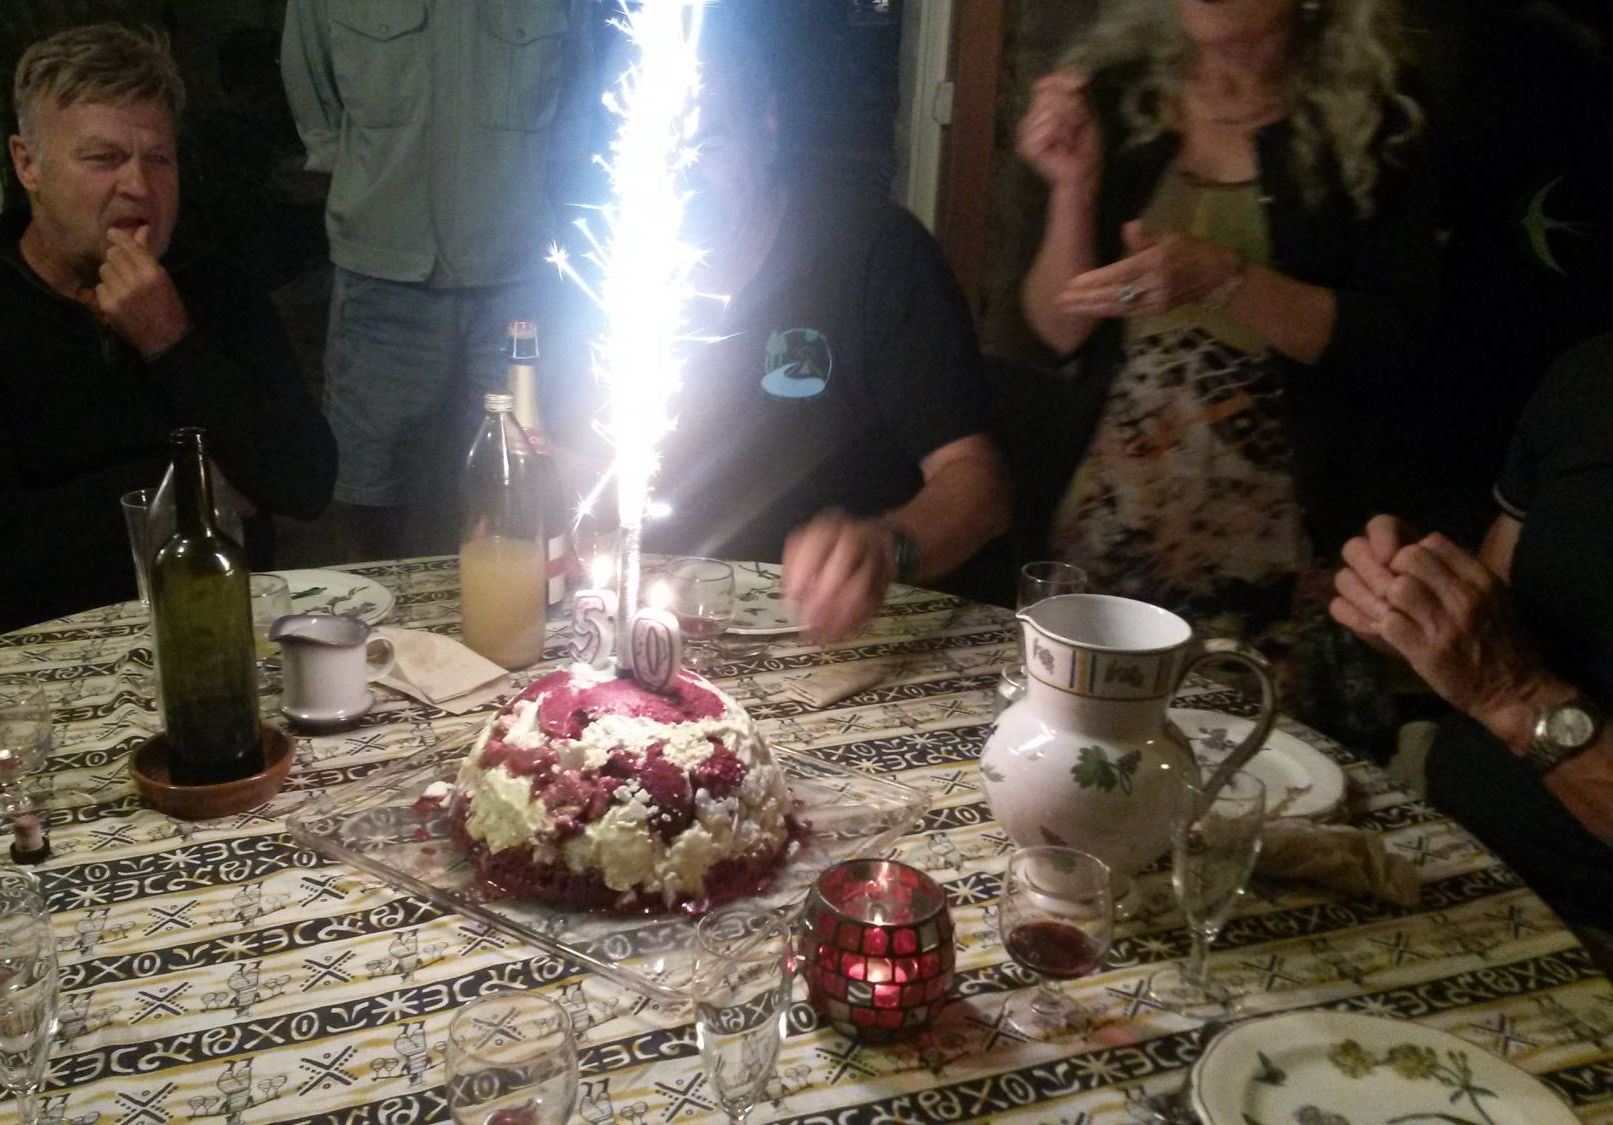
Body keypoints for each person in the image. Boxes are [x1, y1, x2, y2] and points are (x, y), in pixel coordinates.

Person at [1016, 0, 1436, 722]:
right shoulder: (1122, 100)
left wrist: (1225, 278)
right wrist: (1073, 186)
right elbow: (1060, 329)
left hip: (1279, 549)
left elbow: (1397, 342)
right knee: (1086, 751)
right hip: (1113, 527)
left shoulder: (1377, 119)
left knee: (1257, 762)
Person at [0, 24, 336, 635]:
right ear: (28, 164)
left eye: (158, 159)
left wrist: (172, 342)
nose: (138, 186)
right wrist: (190, 489)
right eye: (103, 159)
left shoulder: (219, 289)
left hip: (229, 635)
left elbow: (306, 481)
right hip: (55, 654)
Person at [644, 16, 1009, 642]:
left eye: (709, 143)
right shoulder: (613, 280)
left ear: (766, 123)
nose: (682, 178)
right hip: (671, 636)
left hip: (841, 641)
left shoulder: (874, 254)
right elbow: (572, 468)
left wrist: (887, 549)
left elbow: (979, 485)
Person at [280, 0, 598, 558]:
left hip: (516, 272)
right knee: (369, 496)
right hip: (382, 268)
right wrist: (371, 177)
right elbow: (314, 90)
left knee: (517, 491)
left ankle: (507, 611)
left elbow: (577, 94)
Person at [1330, 333, 1613, 939]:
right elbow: (1504, 608)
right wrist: (1420, 609)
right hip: (1442, 838)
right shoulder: (1590, 375)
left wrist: (1516, 698)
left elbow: (1503, 683)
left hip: (1583, 922)